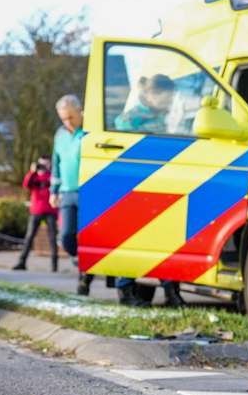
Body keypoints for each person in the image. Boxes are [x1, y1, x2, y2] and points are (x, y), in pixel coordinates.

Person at [109, 75, 185, 307]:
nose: (170, 102)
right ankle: (125, 290)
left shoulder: (164, 118)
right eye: (167, 97)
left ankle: (171, 291)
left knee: (165, 241)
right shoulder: (130, 120)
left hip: (161, 185)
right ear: (152, 94)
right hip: (137, 187)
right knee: (134, 239)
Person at [51, 94, 100, 295]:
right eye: (64, 118)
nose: (68, 122)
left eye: (71, 117)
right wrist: (53, 191)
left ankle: (85, 279)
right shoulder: (60, 135)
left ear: (81, 113)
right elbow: (56, 163)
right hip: (67, 191)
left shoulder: (89, 133)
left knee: (89, 236)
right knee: (66, 237)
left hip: (88, 190)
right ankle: (82, 263)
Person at [13, 155, 58, 271]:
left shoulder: (53, 176)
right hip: (36, 211)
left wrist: (51, 171)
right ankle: (21, 262)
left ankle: (54, 266)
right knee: (29, 237)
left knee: (52, 238)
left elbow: (57, 185)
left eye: (45, 163)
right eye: (41, 163)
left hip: (50, 211)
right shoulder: (34, 177)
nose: (43, 166)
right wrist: (31, 172)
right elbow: (26, 185)